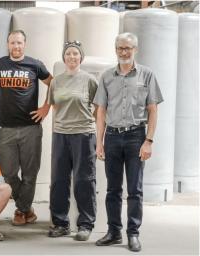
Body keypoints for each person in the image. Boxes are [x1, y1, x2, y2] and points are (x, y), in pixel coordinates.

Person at [93, 33, 163, 252]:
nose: (124, 51)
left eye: (128, 48)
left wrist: (148, 141)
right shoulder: (106, 76)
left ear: (136, 49)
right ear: (115, 50)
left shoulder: (147, 75)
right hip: (112, 137)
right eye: (120, 48)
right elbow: (101, 111)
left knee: (135, 189)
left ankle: (133, 233)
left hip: (136, 137)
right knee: (113, 189)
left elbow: (153, 110)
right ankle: (114, 232)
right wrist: (100, 142)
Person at [0, 30, 53, 225]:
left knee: (29, 173)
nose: (16, 46)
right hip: (7, 128)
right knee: (8, 172)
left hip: (31, 128)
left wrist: (45, 108)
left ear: (24, 44)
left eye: (19, 43)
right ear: (7, 44)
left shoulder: (35, 65)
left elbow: (54, 84)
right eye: (12, 43)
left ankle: (21, 210)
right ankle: (27, 208)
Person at [47, 41, 98, 241]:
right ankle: (60, 223)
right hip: (60, 134)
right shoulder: (56, 81)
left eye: (75, 53)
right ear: (64, 57)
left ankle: (85, 224)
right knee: (59, 181)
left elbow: (100, 107)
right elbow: (54, 105)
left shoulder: (89, 80)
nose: (71, 57)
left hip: (83, 135)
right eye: (68, 53)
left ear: (80, 57)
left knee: (83, 180)